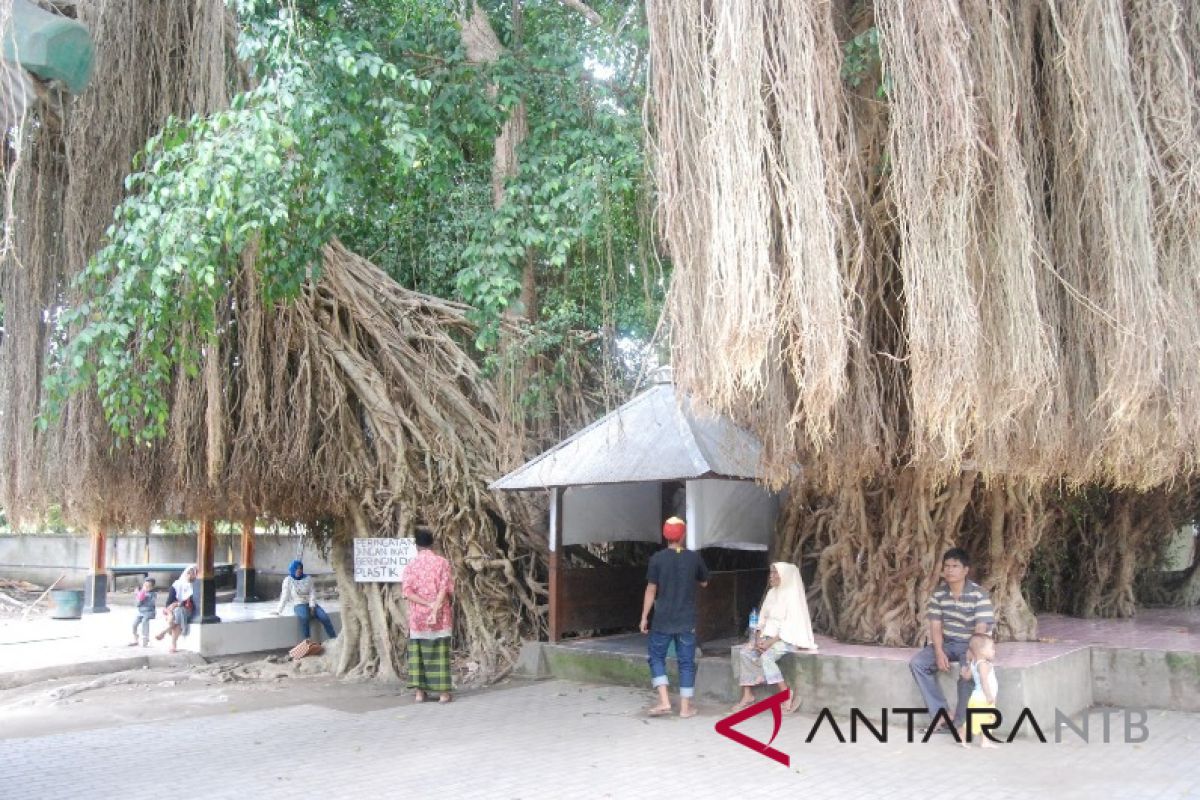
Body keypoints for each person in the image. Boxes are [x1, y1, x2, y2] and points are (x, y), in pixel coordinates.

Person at [909, 548, 995, 735]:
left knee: (968, 674)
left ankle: (959, 722)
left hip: (970, 645)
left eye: (955, 566)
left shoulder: (979, 594)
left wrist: (972, 657)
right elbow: (936, 626)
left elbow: (980, 630)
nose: (949, 570)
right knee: (918, 663)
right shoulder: (938, 595)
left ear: (965, 570)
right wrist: (939, 652)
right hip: (947, 643)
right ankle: (941, 714)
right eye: (946, 566)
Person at [639, 516, 710, 718]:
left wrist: (644, 617)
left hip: (662, 619)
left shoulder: (657, 559)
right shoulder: (693, 558)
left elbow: (651, 590)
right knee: (686, 661)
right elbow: (705, 582)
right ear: (683, 534)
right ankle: (686, 709)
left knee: (656, 657)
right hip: (686, 619)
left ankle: (664, 701)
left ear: (665, 535)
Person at [730, 562, 817, 714]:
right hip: (767, 636)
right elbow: (762, 618)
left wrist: (770, 642)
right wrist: (757, 639)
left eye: (775, 573)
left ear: (785, 576)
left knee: (767, 658)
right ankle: (747, 695)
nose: (772, 576)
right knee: (745, 652)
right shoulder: (771, 593)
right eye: (771, 573)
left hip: (786, 639)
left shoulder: (792, 596)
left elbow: (790, 626)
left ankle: (785, 693)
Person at [403, 530, 455, 703]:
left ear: (416, 546)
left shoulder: (411, 565)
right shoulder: (442, 563)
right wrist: (434, 608)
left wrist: (425, 605)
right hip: (440, 615)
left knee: (418, 654)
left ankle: (419, 693)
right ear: (432, 544)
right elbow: (444, 589)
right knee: (440, 653)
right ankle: (443, 694)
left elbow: (407, 592)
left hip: (418, 617)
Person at [273, 560, 336, 641]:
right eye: (297, 568)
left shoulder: (308, 578)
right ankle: (307, 641)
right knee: (305, 617)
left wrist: (312, 606)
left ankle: (334, 639)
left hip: (310, 603)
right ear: (293, 569)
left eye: (301, 568)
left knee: (324, 617)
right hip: (299, 604)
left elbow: (312, 592)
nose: (299, 570)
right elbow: (284, 596)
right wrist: (278, 610)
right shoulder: (288, 580)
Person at [959, 632, 999, 748]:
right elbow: (984, 680)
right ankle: (962, 733)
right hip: (982, 698)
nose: (994, 651)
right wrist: (989, 695)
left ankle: (985, 741)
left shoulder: (974, 663)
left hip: (977, 697)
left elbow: (967, 677)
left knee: (988, 718)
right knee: (978, 719)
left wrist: (964, 670)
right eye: (991, 649)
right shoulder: (983, 665)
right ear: (982, 651)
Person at [155, 565, 196, 654]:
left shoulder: (194, 586)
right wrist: (170, 613)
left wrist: (178, 604)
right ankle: (173, 643)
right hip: (173, 611)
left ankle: (165, 631)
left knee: (179, 611)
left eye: (192, 573)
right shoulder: (177, 585)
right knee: (177, 614)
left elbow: (192, 603)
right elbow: (168, 603)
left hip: (187, 611)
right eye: (188, 573)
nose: (189, 575)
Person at [128, 577, 157, 647]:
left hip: (149, 612)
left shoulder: (153, 594)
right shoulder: (141, 592)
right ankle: (135, 638)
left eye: (148, 586)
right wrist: (138, 596)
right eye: (145, 586)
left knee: (145, 621)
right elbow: (136, 604)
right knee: (134, 624)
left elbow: (152, 603)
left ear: (152, 587)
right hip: (140, 612)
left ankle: (145, 639)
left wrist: (144, 596)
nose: (146, 588)